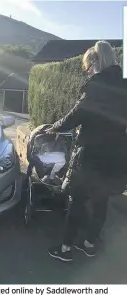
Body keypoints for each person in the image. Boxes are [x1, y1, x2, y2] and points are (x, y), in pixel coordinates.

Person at [44, 40, 127, 262]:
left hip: (91, 154)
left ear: (95, 62)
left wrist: (55, 127)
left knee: (77, 200)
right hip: (115, 155)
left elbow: (76, 114)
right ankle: (89, 244)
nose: (87, 71)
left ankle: (65, 249)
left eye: (87, 67)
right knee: (101, 201)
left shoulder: (96, 85)